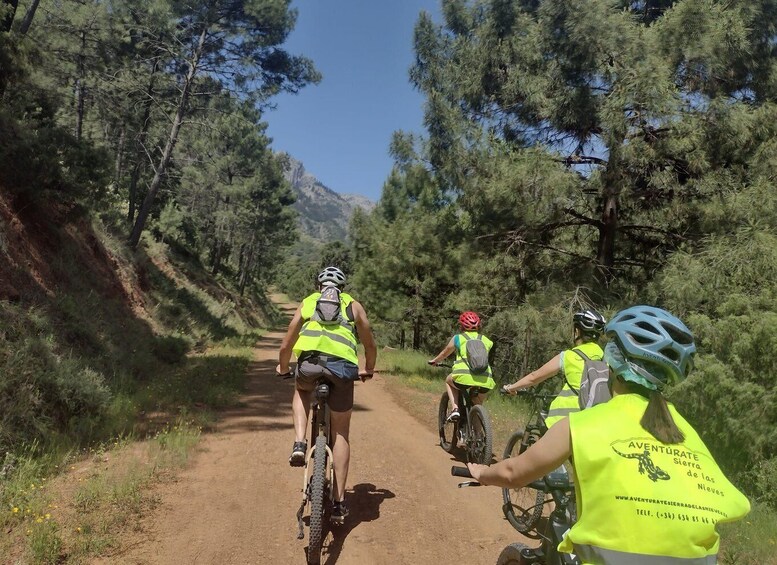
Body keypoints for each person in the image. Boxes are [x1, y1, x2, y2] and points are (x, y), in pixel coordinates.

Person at [467, 305, 750, 562]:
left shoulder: (586, 423)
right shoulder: (686, 431)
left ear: (611, 363)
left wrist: (480, 472)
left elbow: (512, 473)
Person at [276, 266, 377, 524]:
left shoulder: (309, 302)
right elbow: (369, 344)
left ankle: (300, 442)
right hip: (342, 370)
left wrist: (284, 367)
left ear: (319, 285)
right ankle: (339, 502)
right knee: (340, 433)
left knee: (301, 390)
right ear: (342, 287)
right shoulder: (354, 306)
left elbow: (288, 339)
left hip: (309, 365)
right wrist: (368, 369)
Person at [502, 309, 606, 427]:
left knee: (538, 446)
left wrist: (512, 388)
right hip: (595, 421)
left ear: (577, 331)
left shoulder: (569, 356)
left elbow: (534, 377)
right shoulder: (606, 358)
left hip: (565, 421)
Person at [428, 311, 495, 422]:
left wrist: (435, 361)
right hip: (486, 380)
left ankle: (455, 409)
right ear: (478, 326)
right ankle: (480, 436)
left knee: (448, 381)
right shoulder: (486, 340)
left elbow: (445, 353)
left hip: (463, 377)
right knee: (476, 406)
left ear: (462, 325)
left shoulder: (458, 338)